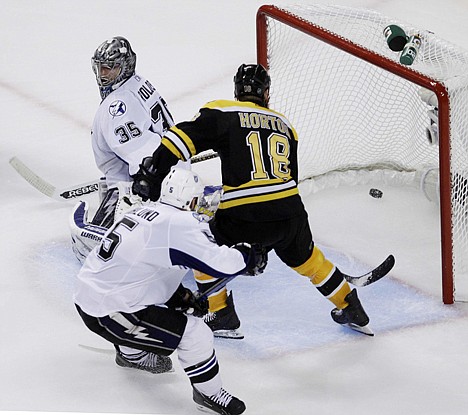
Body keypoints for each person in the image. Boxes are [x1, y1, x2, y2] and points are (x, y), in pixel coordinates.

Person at [131, 63, 374, 338]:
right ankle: (350, 305)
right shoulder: (285, 125)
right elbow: (286, 179)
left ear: (237, 90)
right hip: (290, 213)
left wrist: (154, 174)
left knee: (202, 246)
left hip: (244, 216)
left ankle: (220, 312)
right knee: (308, 260)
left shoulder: (223, 111)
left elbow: (179, 138)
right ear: (266, 94)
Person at [74, 167, 267, 415]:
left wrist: (178, 297)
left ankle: (130, 352)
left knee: (143, 306)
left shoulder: (145, 211)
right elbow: (217, 263)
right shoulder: (179, 223)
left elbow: (146, 270)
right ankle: (209, 394)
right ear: (190, 200)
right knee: (195, 333)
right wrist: (247, 256)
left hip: (89, 300)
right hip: (110, 312)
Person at [70, 36, 187, 263]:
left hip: (158, 185)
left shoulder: (117, 107)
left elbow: (147, 160)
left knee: (96, 254)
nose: (103, 75)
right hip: (173, 168)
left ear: (126, 67)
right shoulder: (139, 83)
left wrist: (139, 190)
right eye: (100, 68)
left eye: (110, 69)